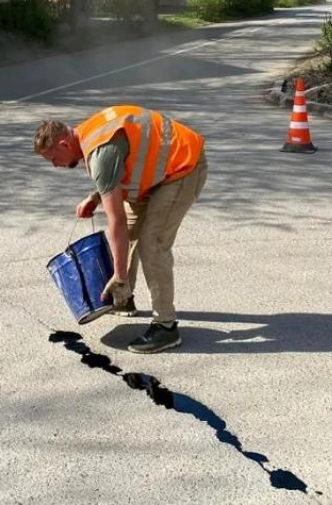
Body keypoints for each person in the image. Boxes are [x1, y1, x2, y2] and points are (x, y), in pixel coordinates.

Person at [35, 105, 208, 354]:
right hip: (157, 176)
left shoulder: (100, 153)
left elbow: (114, 219)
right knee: (124, 234)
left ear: (63, 144)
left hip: (182, 167)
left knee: (152, 244)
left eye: (53, 159)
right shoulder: (89, 136)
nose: (55, 166)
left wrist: (119, 275)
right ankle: (123, 298)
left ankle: (166, 327)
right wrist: (95, 197)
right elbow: (124, 167)